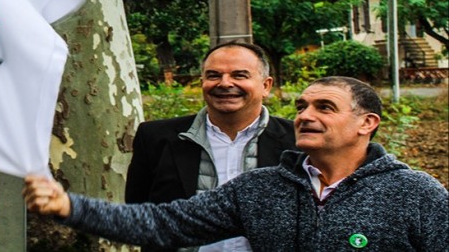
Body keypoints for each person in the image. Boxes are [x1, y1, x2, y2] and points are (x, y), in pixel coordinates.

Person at [25, 76, 449, 251]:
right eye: (301, 106)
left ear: (366, 124)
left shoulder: (414, 194)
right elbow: (163, 223)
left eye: (325, 107)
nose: (305, 115)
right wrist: (70, 206)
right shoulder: (261, 188)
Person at [125, 41, 296, 252]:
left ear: (266, 86)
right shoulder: (155, 137)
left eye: (239, 75)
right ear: (202, 83)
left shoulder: (297, 142)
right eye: (214, 75)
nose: (225, 83)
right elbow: (139, 210)